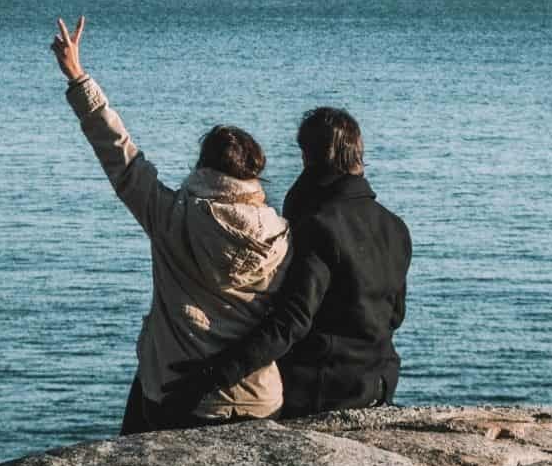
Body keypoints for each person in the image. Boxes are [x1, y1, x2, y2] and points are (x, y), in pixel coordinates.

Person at [50, 16, 291, 433]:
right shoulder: (280, 233)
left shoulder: (172, 215)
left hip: (180, 395)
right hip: (259, 400)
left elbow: (121, 157)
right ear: (254, 174)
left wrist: (78, 77)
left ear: (203, 166)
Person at [168, 106, 412, 418]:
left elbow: (290, 323)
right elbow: (395, 316)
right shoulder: (395, 227)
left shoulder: (320, 226)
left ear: (311, 157)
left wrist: (211, 375)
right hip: (378, 384)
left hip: (325, 391)